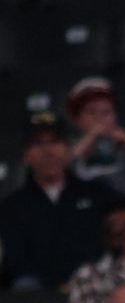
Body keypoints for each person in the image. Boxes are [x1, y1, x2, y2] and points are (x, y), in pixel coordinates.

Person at [0, 111, 116, 290]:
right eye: (38, 143)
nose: (48, 151)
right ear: (25, 156)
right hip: (41, 291)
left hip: (96, 285)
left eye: (54, 141)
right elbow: (16, 263)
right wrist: (55, 286)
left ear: (68, 149)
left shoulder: (99, 194)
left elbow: (112, 249)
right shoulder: (11, 208)